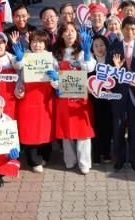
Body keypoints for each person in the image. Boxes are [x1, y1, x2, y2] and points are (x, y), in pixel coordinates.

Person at [109, 16, 135, 172]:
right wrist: (116, 70)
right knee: (118, 129)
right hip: (118, 95)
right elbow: (107, 73)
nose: (130, 32)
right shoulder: (113, 48)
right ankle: (119, 159)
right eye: (127, 28)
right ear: (122, 29)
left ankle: (134, 159)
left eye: (133, 29)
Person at [54, 24, 96, 174]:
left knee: (83, 131)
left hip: (80, 97)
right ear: (61, 35)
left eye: (73, 31)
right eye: (66, 31)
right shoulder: (56, 54)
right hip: (63, 97)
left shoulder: (82, 51)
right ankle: (70, 160)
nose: (70, 34)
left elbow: (89, 68)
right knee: (66, 130)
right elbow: (51, 73)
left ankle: (84, 163)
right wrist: (56, 83)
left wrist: (87, 54)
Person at [14, 30, 57, 172]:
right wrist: (19, 89)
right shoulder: (25, 57)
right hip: (28, 98)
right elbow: (18, 75)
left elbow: (58, 78)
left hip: (45, 98)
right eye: (34, 42)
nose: (37, 45)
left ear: (46, 44)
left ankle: (45, 155)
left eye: (40, 42)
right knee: (30, 129)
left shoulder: (51, 58)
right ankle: (33, 160)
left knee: (45, 128)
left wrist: (56, 78)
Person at [89, 35, 113, 163]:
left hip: (109, 98)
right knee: (96, 125)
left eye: (102, 45)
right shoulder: (89, 62)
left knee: (108, 125)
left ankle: (107, 152)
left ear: (106, 46)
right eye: (96, 45)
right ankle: (96, 154)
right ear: (92, 48)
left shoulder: (112, 60)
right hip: (93, 99)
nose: (99, 48)